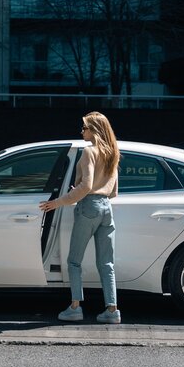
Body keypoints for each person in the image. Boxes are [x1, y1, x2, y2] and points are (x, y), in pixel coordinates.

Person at [39, 111, 121, 324]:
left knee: (74, 261)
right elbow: (113, 192)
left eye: (84, 127)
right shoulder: (113, 152)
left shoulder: (89, 152)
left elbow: (86, 186)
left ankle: (75, 308)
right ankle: (112, 310)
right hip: (106, 208)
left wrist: (57, 202)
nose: (82, 131)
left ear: (94, 130)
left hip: (88, 207)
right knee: (106, 263)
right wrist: (94, 190)